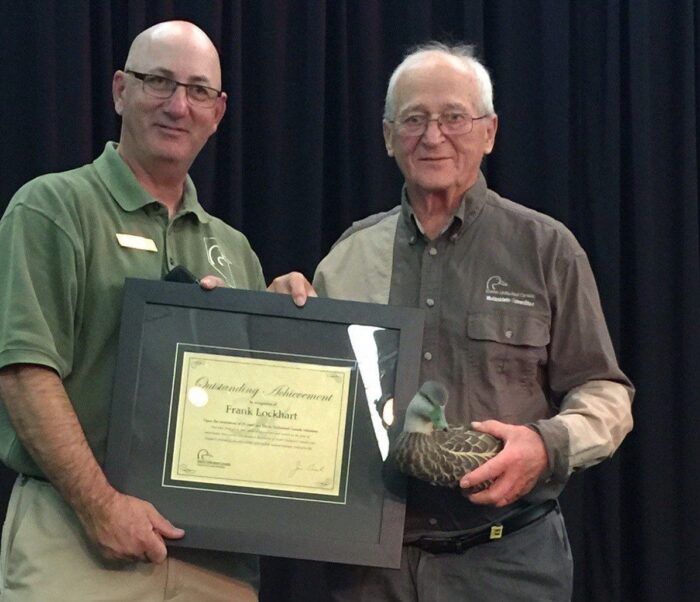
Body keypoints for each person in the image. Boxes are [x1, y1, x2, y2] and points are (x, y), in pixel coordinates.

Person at [272, 42, 634, 601]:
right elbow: (310, 403)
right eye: (414, 119)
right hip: (372, 568)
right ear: (389, 136)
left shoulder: (546, 248)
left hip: (509, 565)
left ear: (488, 132)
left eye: (453, 117)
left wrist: (546, 446)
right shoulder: (347, 257)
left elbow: (605, 393)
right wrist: (275, 325)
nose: (433, 135)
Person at [0, 21, 264, 601]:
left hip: (214, 555)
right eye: (158, 81)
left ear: (218, 112)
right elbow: (24, 372)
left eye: (198, 91)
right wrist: (100, 507)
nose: (178, 105)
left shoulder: (235, 250)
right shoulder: (53, 207)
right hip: (77, 535)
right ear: (121, 89)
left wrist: (292, 322)